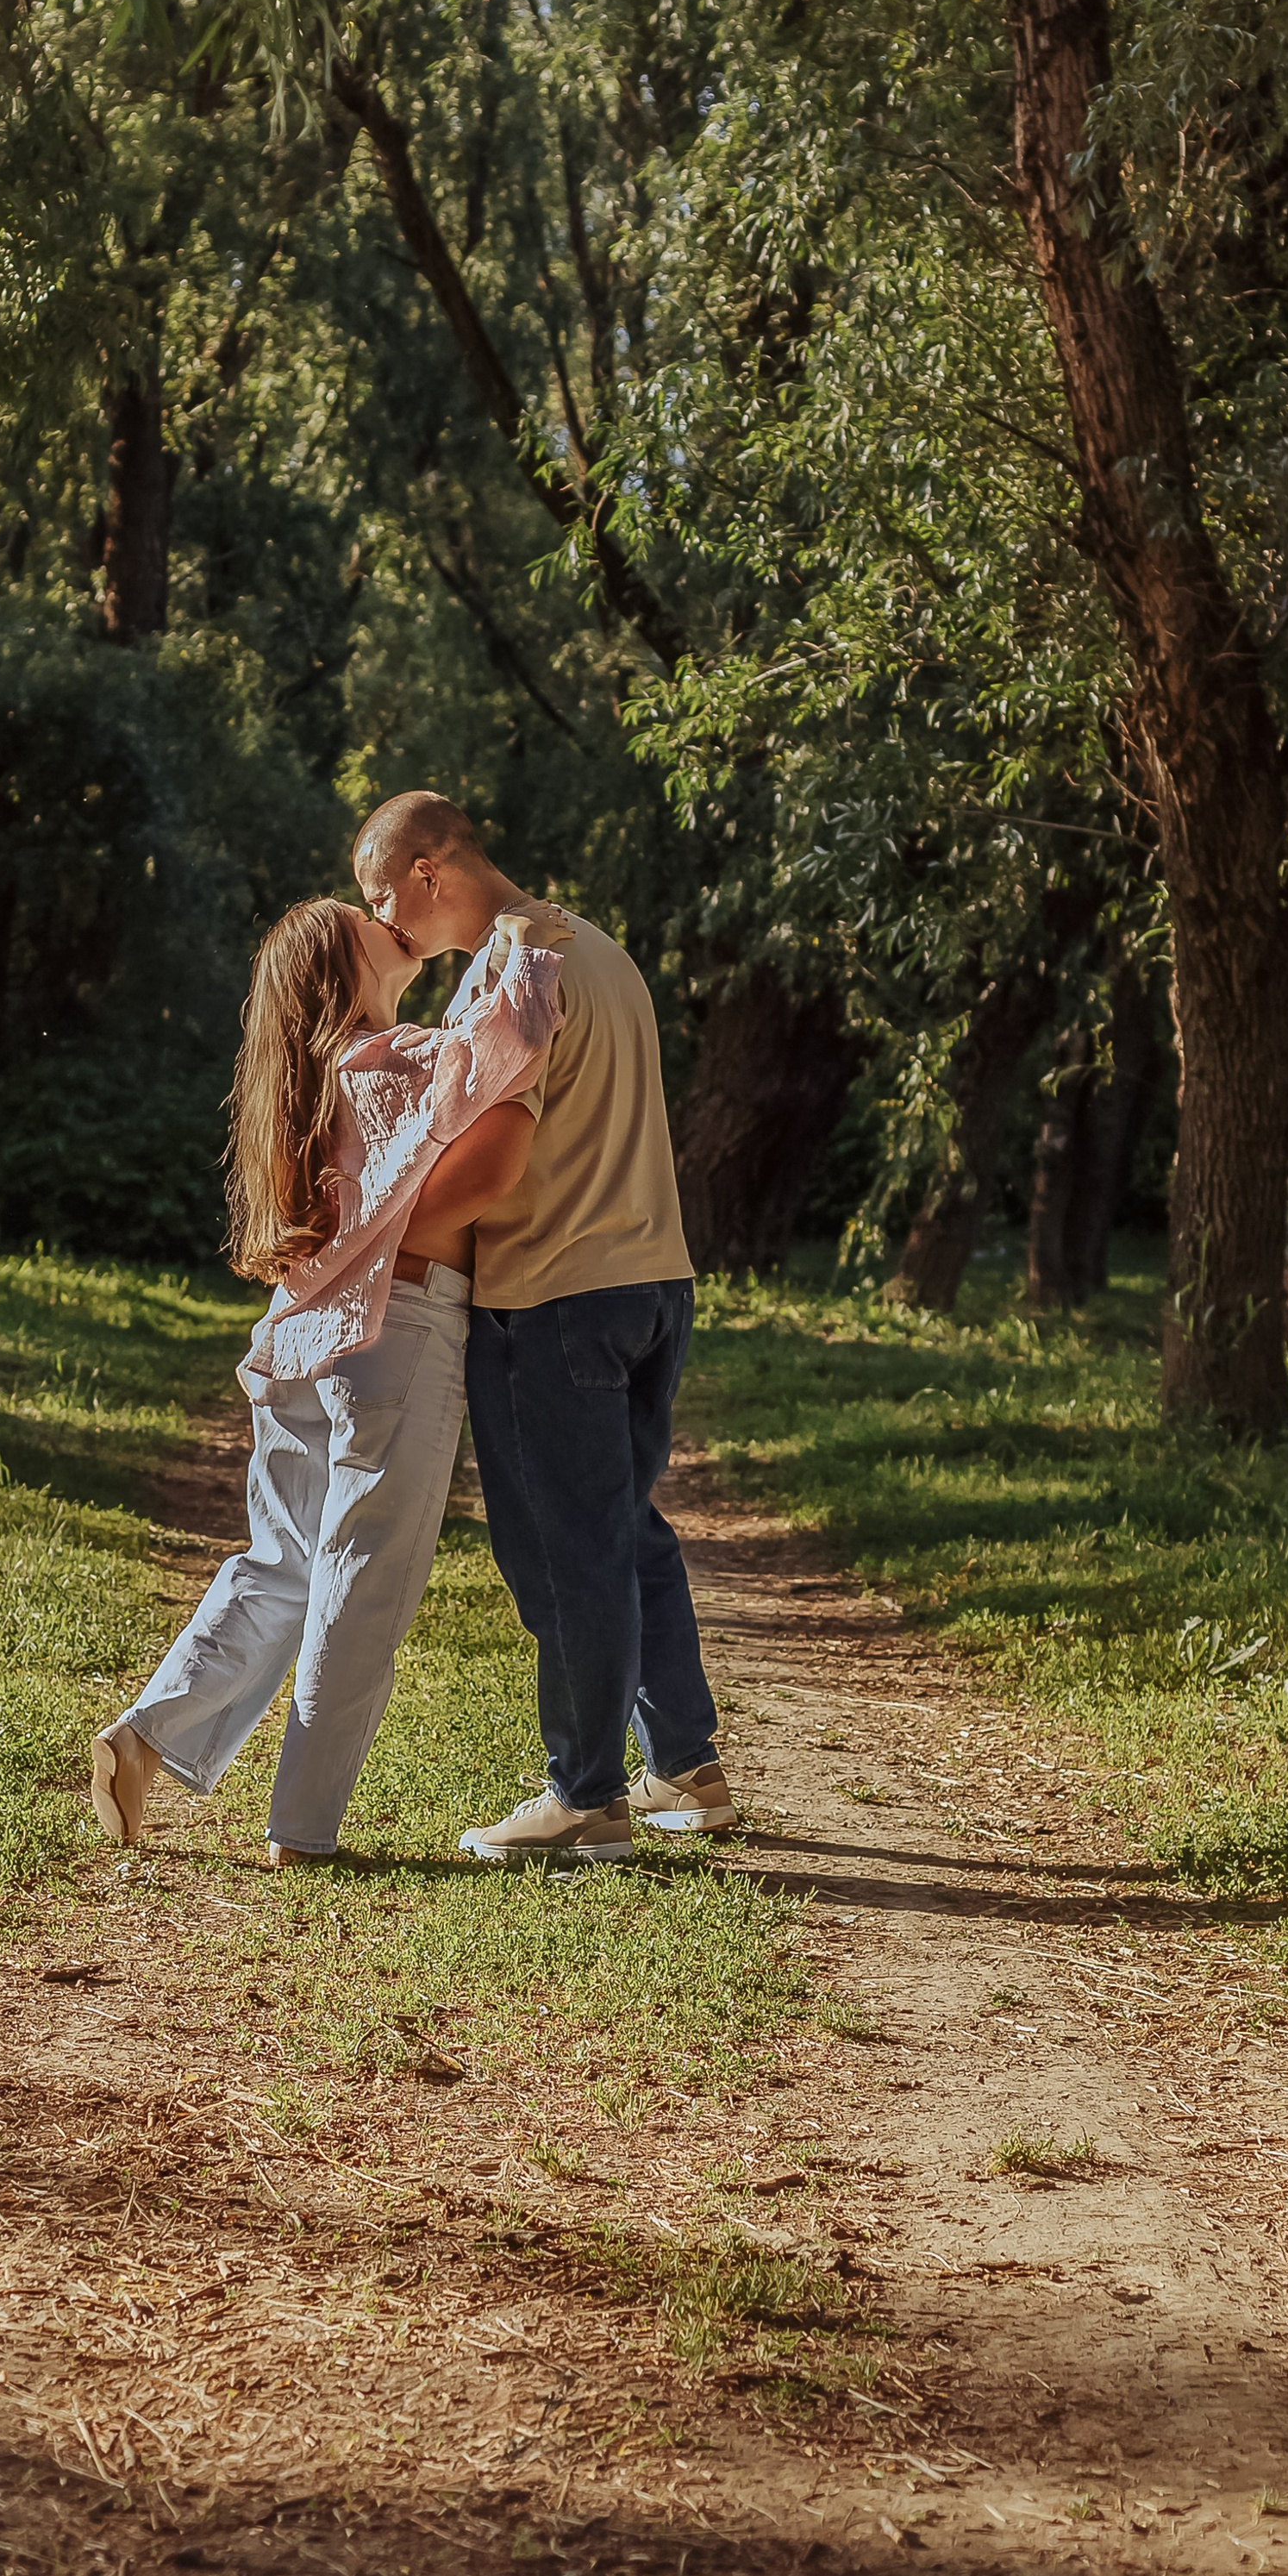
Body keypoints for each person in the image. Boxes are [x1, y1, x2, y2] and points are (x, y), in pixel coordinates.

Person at [89, 893, 566, 1863]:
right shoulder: (384, 1060)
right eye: (363, 918)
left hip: (307, 1341)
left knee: (283, 1564)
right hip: (402, 1329)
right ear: (336, 973)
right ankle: (302, 1831)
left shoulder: (310, 1086)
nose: (384, 915)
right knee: (364, 1583)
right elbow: (505, 1042)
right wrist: (526, 945)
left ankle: (143, 1735)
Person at [353, 792, 737, 1865]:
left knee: (563, 1552)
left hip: (554, 1295)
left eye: (384, 897)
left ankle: (585, 1795)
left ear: (430, 871)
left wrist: (377, 1250)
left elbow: (493, 1152)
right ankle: (686, 1765)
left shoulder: (508, 972)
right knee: (623, 1527)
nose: (386, 925)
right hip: (654, 1283)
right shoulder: (599, 950)